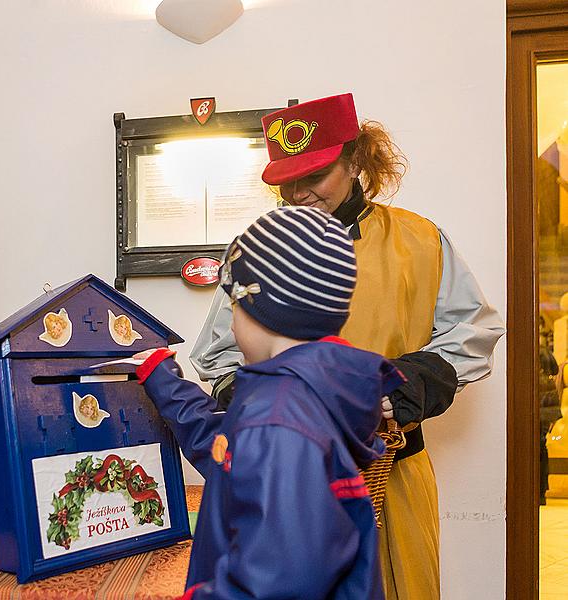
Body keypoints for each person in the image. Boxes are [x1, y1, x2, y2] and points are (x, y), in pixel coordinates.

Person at [190, 93, 505, 599]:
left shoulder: (420, 240)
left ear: (355, 160)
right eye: (287, 180)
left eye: (315, 175)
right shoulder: (256, 248)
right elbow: (219, 353)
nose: (299, 192)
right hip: (286, 485)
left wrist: (401, 390)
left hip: (393, 476)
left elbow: (472, 333)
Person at [134, 206, 403, 599]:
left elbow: (280, 580)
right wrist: (164, 380)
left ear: (262, 311)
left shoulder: (279, 418)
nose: (231, 324)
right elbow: (226, 450)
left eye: (234, 306)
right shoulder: (300, 395)